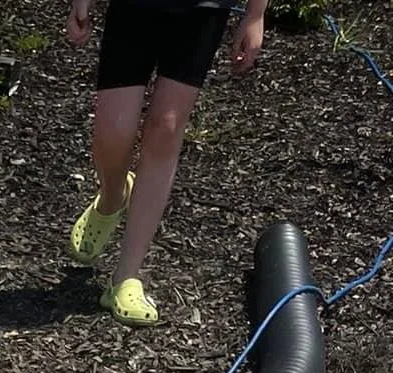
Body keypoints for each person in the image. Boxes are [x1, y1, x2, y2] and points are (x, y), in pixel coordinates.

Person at [65, 0, 267, 326]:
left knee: (167, 128)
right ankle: (113, 196)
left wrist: (255, 14)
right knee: (113, 132)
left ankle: (126, 277)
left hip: (203, 9)